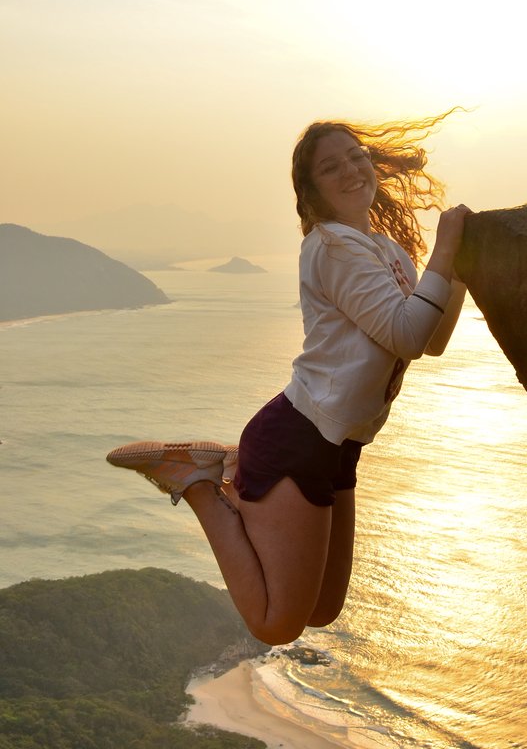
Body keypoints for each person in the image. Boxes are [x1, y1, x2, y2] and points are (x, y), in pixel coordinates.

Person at [106, 113, 470, 645]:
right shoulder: (331, 246)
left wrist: (457, 270)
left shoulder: (386, 252)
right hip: (296, 440)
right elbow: (406, 336)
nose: (350, 170)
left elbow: (431, 339)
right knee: (277, 625)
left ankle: (228, 464)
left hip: (339, 446)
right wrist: (444, 248)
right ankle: (199, 482)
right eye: (330, 167)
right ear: (312, 191)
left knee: (322, 610)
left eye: (356, 157)